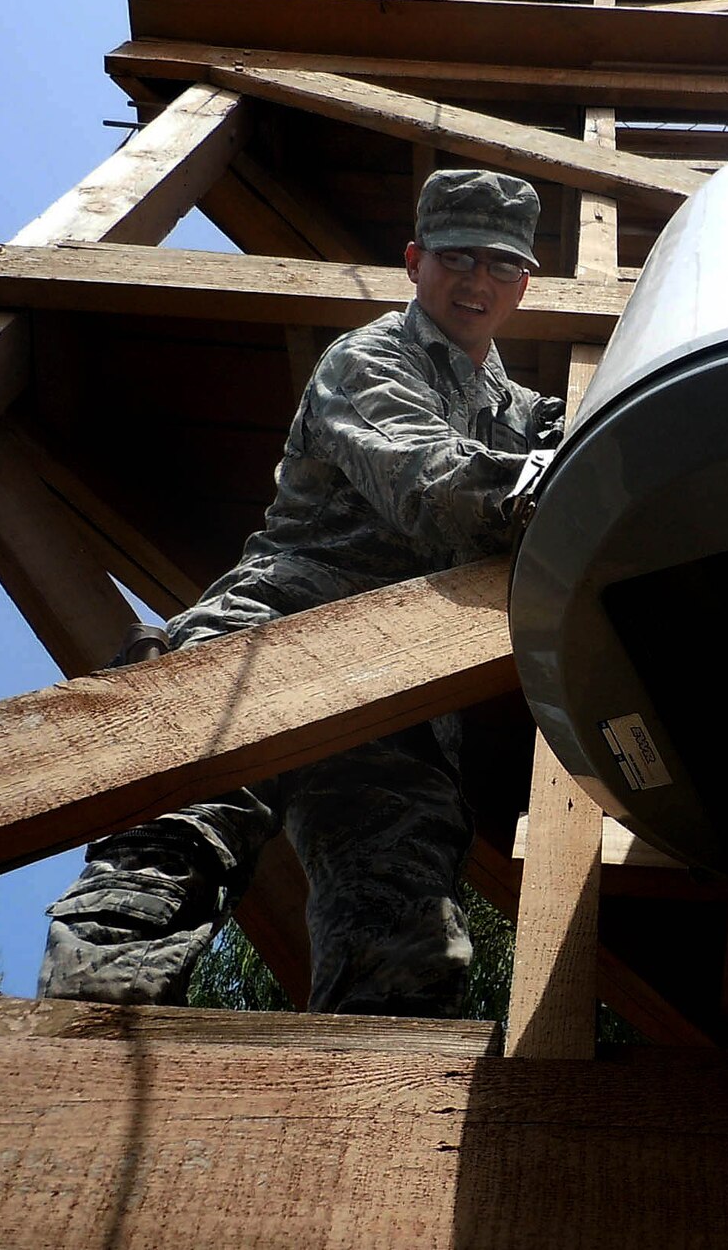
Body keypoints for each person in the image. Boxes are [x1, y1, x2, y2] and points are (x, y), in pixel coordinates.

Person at [38, 168, 563, 1015]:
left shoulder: (521, 413)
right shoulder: (369, 358)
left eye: (501, 266)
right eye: (457, 258)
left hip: (403, 690)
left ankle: (380, 1120)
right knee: (169, 856)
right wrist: (573, 484)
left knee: (406, 939)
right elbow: (432, 483)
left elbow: (571, 440)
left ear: (523, 283)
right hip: (275, 634)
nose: (478, 282)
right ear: (413, 262)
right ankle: (71, 1063)